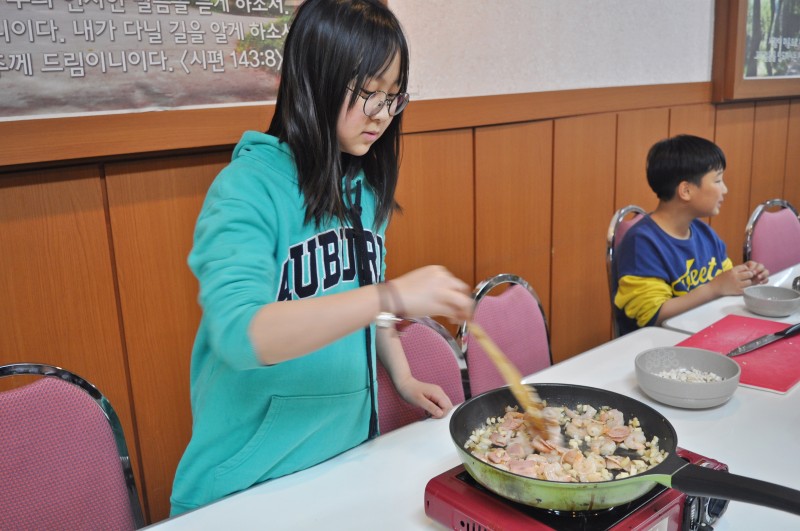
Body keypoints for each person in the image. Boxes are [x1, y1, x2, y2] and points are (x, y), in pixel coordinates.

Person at [169, 0, 473, 515]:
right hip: (246, 486)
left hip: (341, 466)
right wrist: (392, 293)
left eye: (392, 97)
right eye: (366, 93)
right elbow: (244, 335)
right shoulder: (245, 188)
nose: (381, 114)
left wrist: (400, 374)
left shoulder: (362, 186)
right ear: (314, 81)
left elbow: (363, 297)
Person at [614, 134, 769, 336]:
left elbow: (725, 281)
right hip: (657, 346)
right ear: (685, 191)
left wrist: (746, 277)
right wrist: (714, 289)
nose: (725, 189)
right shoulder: (642, 242)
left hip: (700, 331)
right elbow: (653, 315)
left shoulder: (704, 233)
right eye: (718, 180)